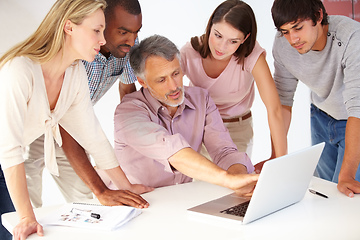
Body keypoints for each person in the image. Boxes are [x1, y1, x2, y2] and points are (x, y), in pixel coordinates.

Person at [0, 0, 150, 239]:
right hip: (5, 161)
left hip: (10, 158)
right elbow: (9, 151)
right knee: (15, 226)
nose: (102, 40)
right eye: (96, 31)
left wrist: (126, 185)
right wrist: (27, 217)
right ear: (69, 27)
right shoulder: (20, 70)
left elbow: (92, 135)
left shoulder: (74, 72)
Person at [102, 34, 259, 195]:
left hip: (181, 200)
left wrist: (240, 177)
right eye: (161, 80)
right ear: (143, 82)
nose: (174, 86)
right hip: (137, 202)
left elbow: (223, 150)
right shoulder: (127, 113)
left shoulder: (201, 99)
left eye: (176, 74)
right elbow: (172, 150)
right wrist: (228, 180)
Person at [25, 0, 144, 209]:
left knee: (86, 201)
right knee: (27, 202)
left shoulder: (122, 52)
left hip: (72, 127)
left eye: (136, 32)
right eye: (124, 32)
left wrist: (131, 148)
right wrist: (102, 190)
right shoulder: (78, 58)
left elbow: (125, 93)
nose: (132, 41)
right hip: (32, 131)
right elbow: (70, 125)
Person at [180, 0, 287, 171]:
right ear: (210, 26)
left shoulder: (251, 56)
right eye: (218, 35)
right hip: (199, 128)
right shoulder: (190, 52)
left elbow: (274, 108)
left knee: (234, 188)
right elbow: (165, 87)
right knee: (200, 190)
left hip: (236, 129)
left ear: (245, 39)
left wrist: (280, 158)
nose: (221, 47)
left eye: (233, 41)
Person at [271, 0, 360, 197]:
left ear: (318, 16)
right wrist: (276, 158)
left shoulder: (352, 38)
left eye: (298, 28)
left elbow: (357, 108)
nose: (292, 39)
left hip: (354, 121)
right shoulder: (282, 45)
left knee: (346, 194)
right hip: (320, 116)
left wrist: (346, 175)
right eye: (285, 31)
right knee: (324, 190)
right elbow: (283, 102)